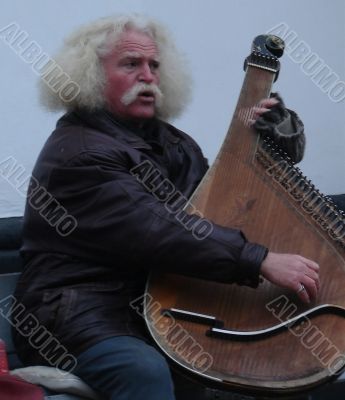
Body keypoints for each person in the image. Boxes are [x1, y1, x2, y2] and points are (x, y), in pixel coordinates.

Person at [13, 14, 320, 400]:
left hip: (160, 306)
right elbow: (159, 230)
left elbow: (222, 207)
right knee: (143, 371)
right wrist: (258, 260)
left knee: (276, 357)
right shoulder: (78, 152)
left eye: (154, 65)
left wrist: (272, 137)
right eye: (131, 64)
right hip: (75, 316)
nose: (148, 76)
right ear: (89, 75)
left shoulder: (172, 142)